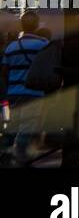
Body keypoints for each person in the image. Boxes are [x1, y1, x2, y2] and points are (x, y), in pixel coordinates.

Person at [2, 12, 49, 162]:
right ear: (36, 25)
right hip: (34, 93)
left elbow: (4, 72)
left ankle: (6, 155)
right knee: (27, 127)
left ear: (22, 26)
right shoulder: (44, 45)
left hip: (13, 93)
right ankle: (20, 158)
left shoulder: (11, 48)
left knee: (13, 126)